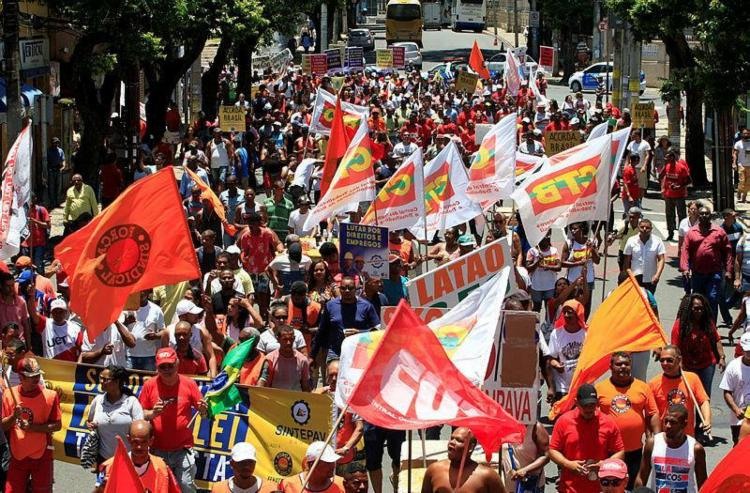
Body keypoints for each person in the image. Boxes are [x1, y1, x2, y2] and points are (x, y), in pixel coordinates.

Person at [139, 347, 208, 492]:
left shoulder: (189, 383)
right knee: (159, 487)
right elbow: (139, 414)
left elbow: (204, 413)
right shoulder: (149, 385)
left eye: (170, 365)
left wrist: (203, 410)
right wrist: (152, 413)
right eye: (163, 366)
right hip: (157, 449)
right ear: (157, 367)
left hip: (183, 449)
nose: (167, 369)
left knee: (186, 485)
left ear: (177, 363)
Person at [595, 352, 660, 489]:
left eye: (626, 364)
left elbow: (652, 413)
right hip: (609, 450)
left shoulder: (643, 387)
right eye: (619, 364)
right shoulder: (600, 388)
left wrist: (657, 437)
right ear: (611, 367)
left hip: (634, 450)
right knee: (610, 486)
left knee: (632, 486)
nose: (623, 367)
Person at [548, 384, 625, 493]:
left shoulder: (608, 422)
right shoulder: (564, 421)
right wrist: (568, 464)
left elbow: (620, 451)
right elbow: (552, 450)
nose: (589, 409)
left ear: (597, 402)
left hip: (600, 488)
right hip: (569, 488)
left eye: (592, 405)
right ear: (576, 403)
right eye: (585, 405)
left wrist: (605, 464)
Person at [1, 357, 62, 493]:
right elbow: (3, 427)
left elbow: (57, 425)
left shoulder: (50, 396)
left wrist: (32, 427)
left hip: (42, 455)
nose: (36, 379)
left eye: (38, 375)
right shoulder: (8, 394)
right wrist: (13, 416)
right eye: (32, 376)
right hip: (17, 455)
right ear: (21, 377)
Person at [635, 404, 707, 492]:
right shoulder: (653, 444)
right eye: (666, 421)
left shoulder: (696, 449)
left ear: (684, 424)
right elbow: (642, 477)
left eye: (673, 422)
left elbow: (703, 484)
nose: (668, 426)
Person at [94, 420, 180, 492]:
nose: (139, 447)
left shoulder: (162, 467)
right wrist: (102, 487)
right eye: (135, 442)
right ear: (128, 439)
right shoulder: (111, 466)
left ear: (151, 441)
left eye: (144, 442)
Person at [679, 206, 733, 320]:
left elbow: (727, 251)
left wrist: (728, 270)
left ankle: (711, 327)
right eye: (702, 214)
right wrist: (685, 268)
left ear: (710, 216)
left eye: (706, 214)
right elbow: (685, 251)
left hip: (714, 273)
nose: (704, 216)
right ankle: (697, 325)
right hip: (697, 273)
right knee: (697, 301)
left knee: (712, 299)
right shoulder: (691, 232)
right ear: (698, 216)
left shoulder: (719, 232)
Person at [648, 345, 712, 438]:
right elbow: (651, 413)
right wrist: (652, 435)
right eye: (662, 360)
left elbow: (703, 401)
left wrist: (707, 420)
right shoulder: (653, 383)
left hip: (687, 436)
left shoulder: (692, 378)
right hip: (664, 436)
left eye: (669, 360)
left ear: (679, 360)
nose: (665, 363)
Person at [670, 293, 725, 399]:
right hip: (688, 366)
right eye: (696, 308)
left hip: (707, 365)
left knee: (704, 396)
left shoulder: (707, 322)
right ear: (689, 309)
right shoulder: (680, 325)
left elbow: (716, 339)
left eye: (701, 309)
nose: (699, 311)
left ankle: (703, 416)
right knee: (688, 396)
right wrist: (679, 364)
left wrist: (722, 357)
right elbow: (675, 347)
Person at [86, 365, 144, 463]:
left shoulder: (131, 402)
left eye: (106, 379)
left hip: (127, 459)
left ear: (117, 382)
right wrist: (91, 425)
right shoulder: (98, 400)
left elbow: (140, 430)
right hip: (103, 459)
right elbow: (89, 421)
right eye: (101, 378)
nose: (101, 381)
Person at [421, 427, 505, 493]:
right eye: (451, 438)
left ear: (471, 447)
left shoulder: (488, 476)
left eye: (459, 440)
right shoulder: (434, 470)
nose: (452, 442)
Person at [315, 276, 380, 359]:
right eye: (343, 288)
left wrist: (359, 332)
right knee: (334, 371)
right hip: (336, 351)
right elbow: (321, 330)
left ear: (355, 289)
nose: (347, 291)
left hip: (359, 351)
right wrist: (313, 355)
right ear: (340, 289)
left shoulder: (366, 306)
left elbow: (378, 329)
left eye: (350, 288)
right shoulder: (331, 305)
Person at [546, 300, 587, 402]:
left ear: (578, 314)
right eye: (564, 312)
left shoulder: (587, 334)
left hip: (583, 384)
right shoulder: (556, 334)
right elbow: (551, 358)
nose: (566, 315)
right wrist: (556, 365)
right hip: (563, 385)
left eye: (570, 312)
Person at [26, 297, 83, 361]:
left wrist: (78, 366)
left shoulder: (75, 328)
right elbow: (32, 312)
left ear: (66, 312)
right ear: (51, 313)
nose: (58, 314)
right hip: (51, 367)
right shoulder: (45, 324)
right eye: (55, 311)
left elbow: (81, 351)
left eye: (61, 312)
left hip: (70, 368)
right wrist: (31, 295)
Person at [258, 324, 312, 391]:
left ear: (294, 339)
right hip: (275, 398)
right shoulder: (270, 359)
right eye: (285, 339)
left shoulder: (302, 360)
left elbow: (305, 385)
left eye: (291, 339)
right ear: (278, 339)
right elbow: (262, 381)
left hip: (295, 398)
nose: (288, 343)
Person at [718, 332, 750, 444]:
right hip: (739, 420)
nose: (749, 353)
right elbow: (727, 391)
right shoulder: (733, 366)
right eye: (747, 351)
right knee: (739, 449)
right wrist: (736, 410)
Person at [500, 422, 549, 493]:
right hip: (508, 486)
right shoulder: (504, 425)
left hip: (530, 485)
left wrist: (525, 470)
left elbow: (546, 456)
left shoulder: (536, 428)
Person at [278, 441, 345, 492]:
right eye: (327, 463)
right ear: (311, 464)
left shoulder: (341, 485)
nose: (333, 466)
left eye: (333, 461)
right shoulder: (288, 484)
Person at [211, 442, 278, 492]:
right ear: (232, 464)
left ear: (255, 464)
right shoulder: (218, 489)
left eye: (250, 462)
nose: (246, 467)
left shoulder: (272, 489)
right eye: (241, 462)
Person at [125, 289, 167, 371]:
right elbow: (117, 328)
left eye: (144, 290)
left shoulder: (156, 310)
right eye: (139, 290)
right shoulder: (127, 308)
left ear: (149, 292)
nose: (141, 293)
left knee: (148, 380)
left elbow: (163, 331)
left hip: (149, 356)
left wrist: (156, 335)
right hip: (129, 355)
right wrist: (126, 322)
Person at [623, 218, 666, 293]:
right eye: (642, 227)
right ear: (638, 228)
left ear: (651, 229)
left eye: (647, 227)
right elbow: (627, 260)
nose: (645, 229)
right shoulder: (631, 240)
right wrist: (628, 275)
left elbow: (661, 259)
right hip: (635, 278)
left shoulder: (657, 241)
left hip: (650, 279)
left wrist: (657, 275)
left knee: (649, 301)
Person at [526, 232, 562, 312]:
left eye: (547, 237)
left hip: (550, 286)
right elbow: (528, 268)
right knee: (536, 308)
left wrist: (547, 267)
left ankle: (548, 324)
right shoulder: (532, 251)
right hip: (536, 287)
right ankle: (536, 324)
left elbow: (559, 267)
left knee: (549, 309)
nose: (546, 239)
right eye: (543, 238)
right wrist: (537, 261)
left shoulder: (554, 251)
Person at [660, 149, 690, 242]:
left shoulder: (681, 167)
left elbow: (689, 180)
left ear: (672, 157)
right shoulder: (667, 166)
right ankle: (670, 232)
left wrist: (679, 186)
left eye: (667, 157)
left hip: (679, 196)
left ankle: (683, 234)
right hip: (668, 195)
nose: (666, 158)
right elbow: (661, 176)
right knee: (669, 215)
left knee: (681, 215)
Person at [22, 193, 50, 274]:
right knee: (27, 264)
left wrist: (35, 221)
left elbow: (48, 225)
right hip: (27, 244)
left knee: (38, 264)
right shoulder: (24, 211)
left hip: (39, 243)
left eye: (31, 199)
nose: (30, 202)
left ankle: (41, 281)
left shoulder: (41, 210)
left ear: (35, 199)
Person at [0, 271, 31, 346]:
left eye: (12, 285)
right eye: (8, 286)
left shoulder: (21, 302)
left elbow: (26, 325)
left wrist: (29, 346)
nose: (11, 289)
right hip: (3, 345)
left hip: (20, 344)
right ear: (1, 286)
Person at [47, 137, 66, 206]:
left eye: (57, 142)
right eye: (55, 142)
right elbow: (46, 161)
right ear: (52, 143)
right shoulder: (48, 151)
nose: (56, 144)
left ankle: (57, 202)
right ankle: (52, 202)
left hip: (58, 170)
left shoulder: (60, 151)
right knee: (51, 187)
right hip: (51, 170)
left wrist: (63, 166)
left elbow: (63, 159)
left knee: (58, 187)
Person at [733, 127, 750, 202]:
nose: (746, 134)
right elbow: (735, 154)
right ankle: (739, 192)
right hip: (741, 165)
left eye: (748, 133)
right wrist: (734, 163)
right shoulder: (738, 143)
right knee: (742, 181)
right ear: (742, 134)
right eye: (745, 133)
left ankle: (744, 197)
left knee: (748, 183)